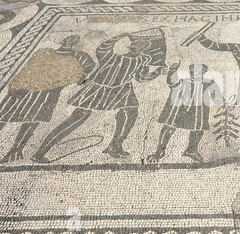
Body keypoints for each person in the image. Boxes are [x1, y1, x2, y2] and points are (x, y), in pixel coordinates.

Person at [31, 29, 167, 163]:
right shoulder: (111, 56)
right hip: (98, 88)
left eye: (142, 46)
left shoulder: (142, 60)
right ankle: (41, 151)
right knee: (77, 118)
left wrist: (157, 72)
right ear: (131, 45)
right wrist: (120, 35)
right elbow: (103, 48)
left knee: (131, 112)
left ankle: (115, 145)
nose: (139, 47)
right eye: (137, 44)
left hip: (122, 89)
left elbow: (141, 78)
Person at [0, 35, 95, 163]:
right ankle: (15, 150)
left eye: (74, 40)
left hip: (43, 93)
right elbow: (28, 68)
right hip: (26, 88)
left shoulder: (79, 57)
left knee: (31, 119)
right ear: (63, 40)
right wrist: (16, 85)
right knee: (7, 116)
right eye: (69, 38)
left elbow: (82, 74)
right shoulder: (45, 52)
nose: (70, 41)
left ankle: (16, 150)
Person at [148, 62, 221, 163]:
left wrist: (226, 103)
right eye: (193, 70)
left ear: (204, 72)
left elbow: (217, 96)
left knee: (198, 129)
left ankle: (191, 150)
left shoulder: (209, 83)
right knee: (169, 127)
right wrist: (172, 71)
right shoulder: (183, 82)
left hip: (198, 111)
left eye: (198, 71)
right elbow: (172, 83)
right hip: (179, 109)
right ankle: (160, 151)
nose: (194, 72)